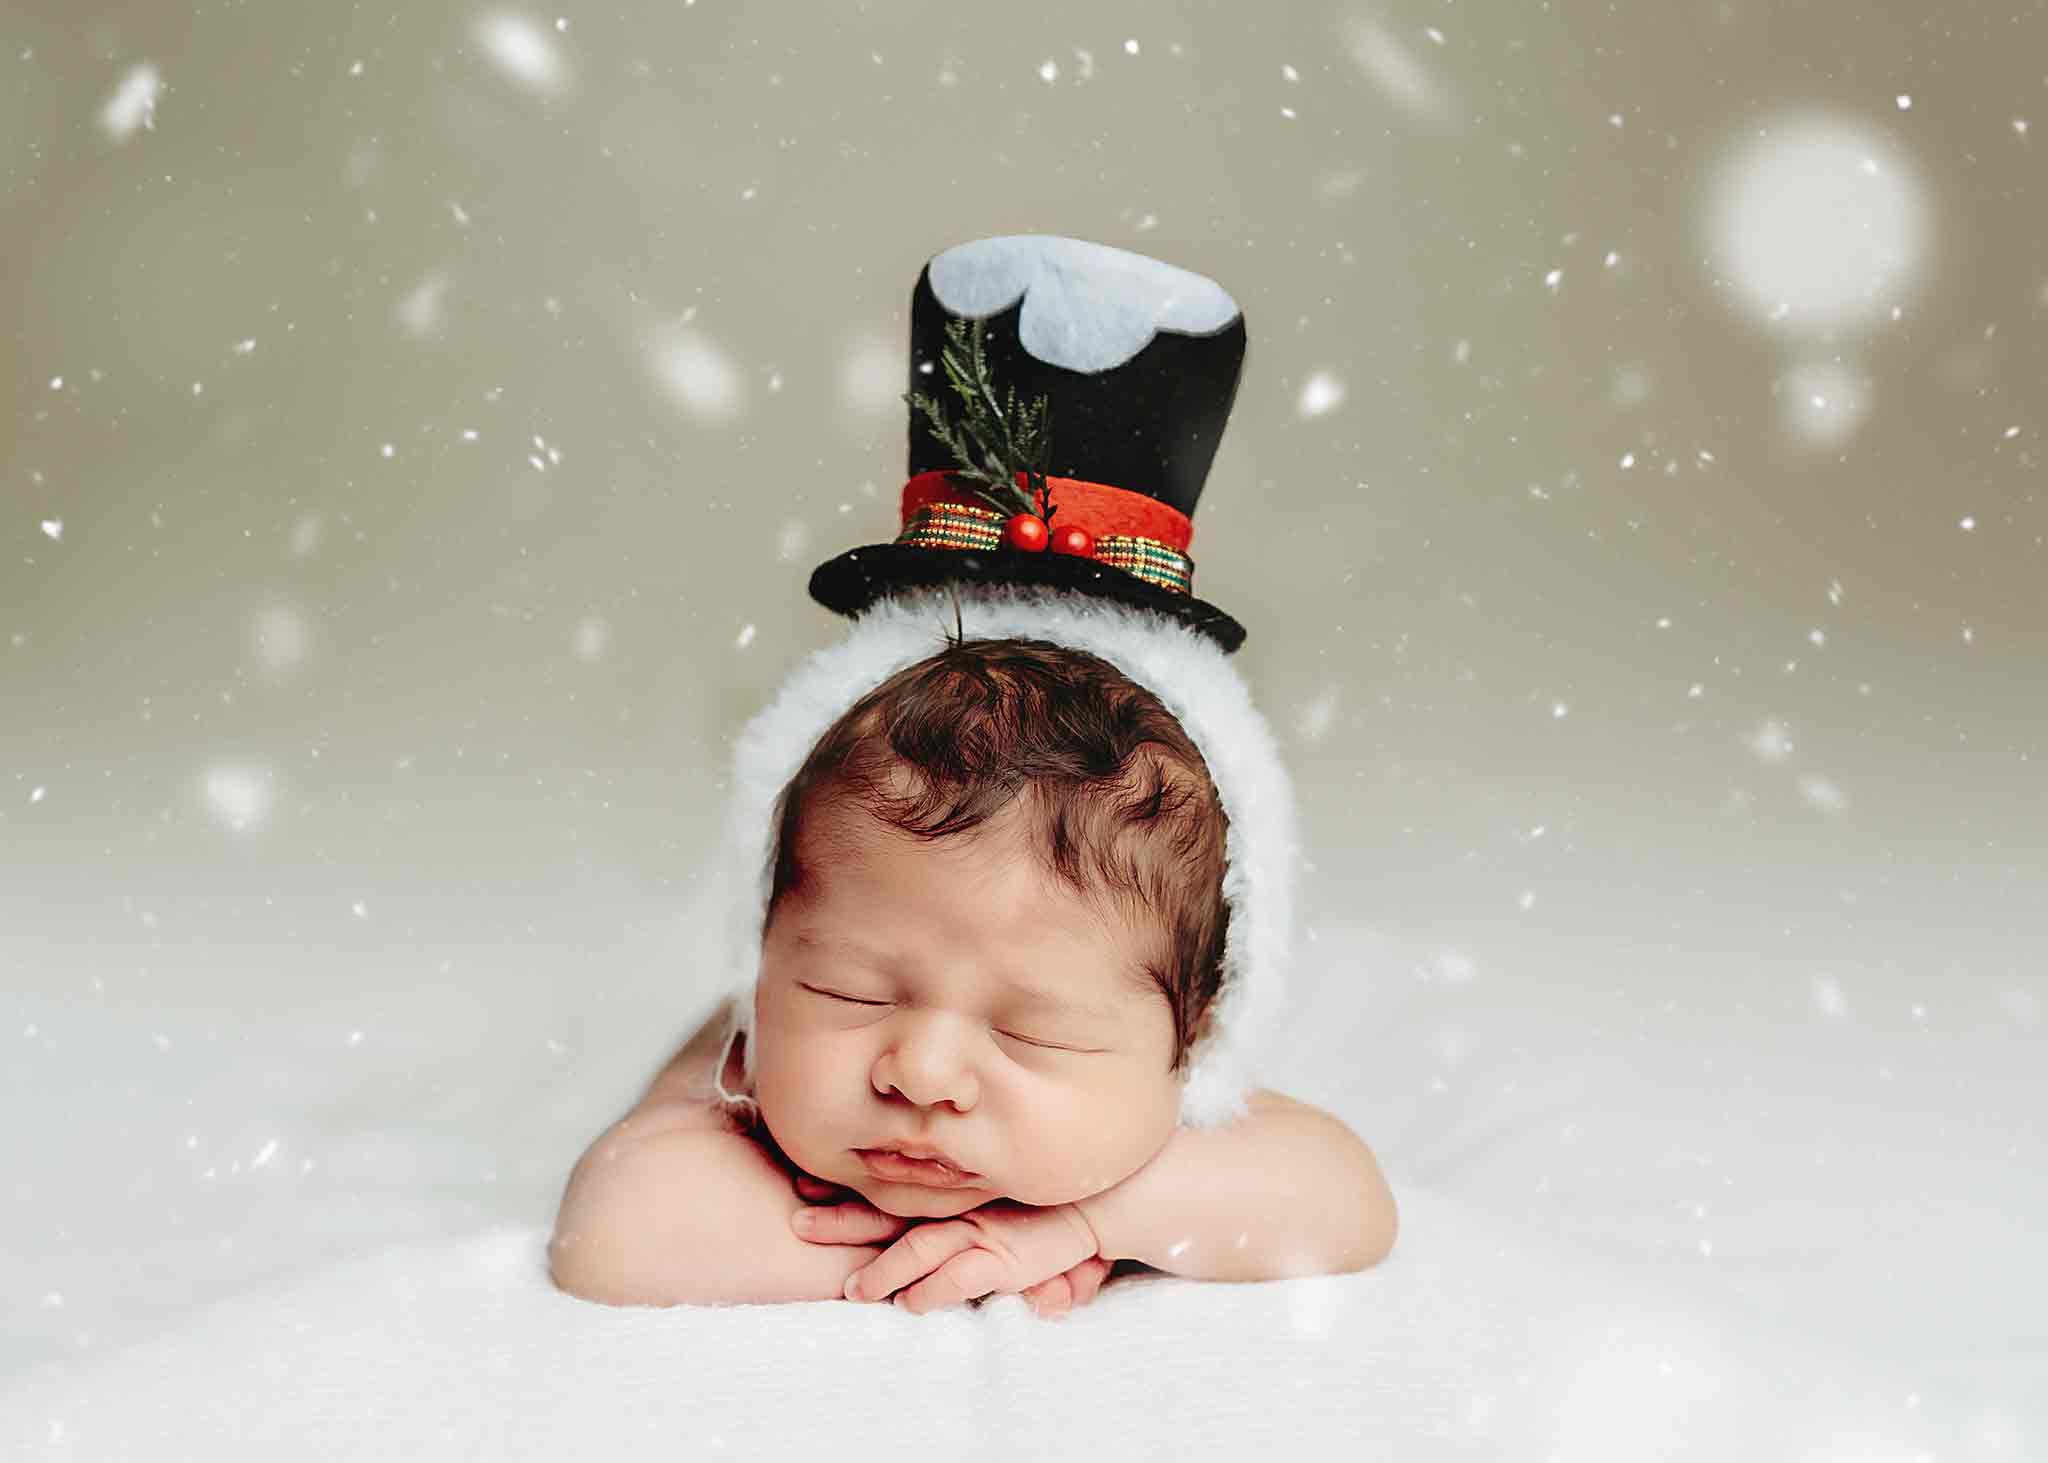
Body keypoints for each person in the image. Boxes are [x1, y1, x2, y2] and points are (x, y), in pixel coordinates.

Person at [548, 235, 1398, 1317]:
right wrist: (932, 1262)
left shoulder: (1183, 1098)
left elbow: (1348, 1198)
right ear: (762, 955)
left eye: (1033, 1029)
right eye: (846, 991)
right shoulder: (746, 1079)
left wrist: (1087, 1221)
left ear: (1195, 1040)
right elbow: (613, 1232)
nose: (923, 1071)